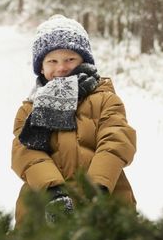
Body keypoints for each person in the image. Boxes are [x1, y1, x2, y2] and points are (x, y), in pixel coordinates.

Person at [11, 14, 136, 225]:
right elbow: (26, 153)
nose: (61, 67)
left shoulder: (105, 99)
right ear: (41, 67)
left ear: (84, 61)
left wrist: (97, 188)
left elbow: (116, 141)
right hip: (44, 206)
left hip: (105, 199)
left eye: (70, 59)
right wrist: (52, 192)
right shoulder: (30, 110)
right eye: (52, 61)